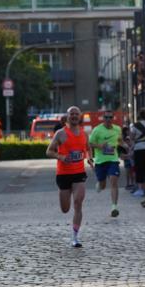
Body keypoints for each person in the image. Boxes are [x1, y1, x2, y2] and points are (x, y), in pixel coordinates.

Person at [46, 105, 91, 248]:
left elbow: (88, 149)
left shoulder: (84, 134)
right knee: (65, 209)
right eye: (72, 114)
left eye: (76, 114)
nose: (74, 116)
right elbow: (49, 151)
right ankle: (66, 198)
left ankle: (75, 237)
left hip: (79, 173)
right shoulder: (60, 133)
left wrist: (90, 159)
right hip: (63, 174)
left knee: (78, 203)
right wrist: (60, 156)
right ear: (68, 116)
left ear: (80, 116)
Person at [89, 109, 124, 217]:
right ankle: (100, 184)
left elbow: (119, 141)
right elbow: (90, 143)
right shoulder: (97, 130)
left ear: (113, 118)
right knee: (103, 185)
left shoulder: (117, 129)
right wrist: (100, 146)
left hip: (113, 160)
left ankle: (114, 207)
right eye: (106, 117)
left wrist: (126, 146)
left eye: (110, 117)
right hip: (100, 161)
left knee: (114, 181)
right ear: (103, 118)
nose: (108, 119)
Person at [130, 108, 145, 201]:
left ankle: (141, 189)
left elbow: (132, 137)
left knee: (139, 168)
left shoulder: (135, 125)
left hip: (139, 148)